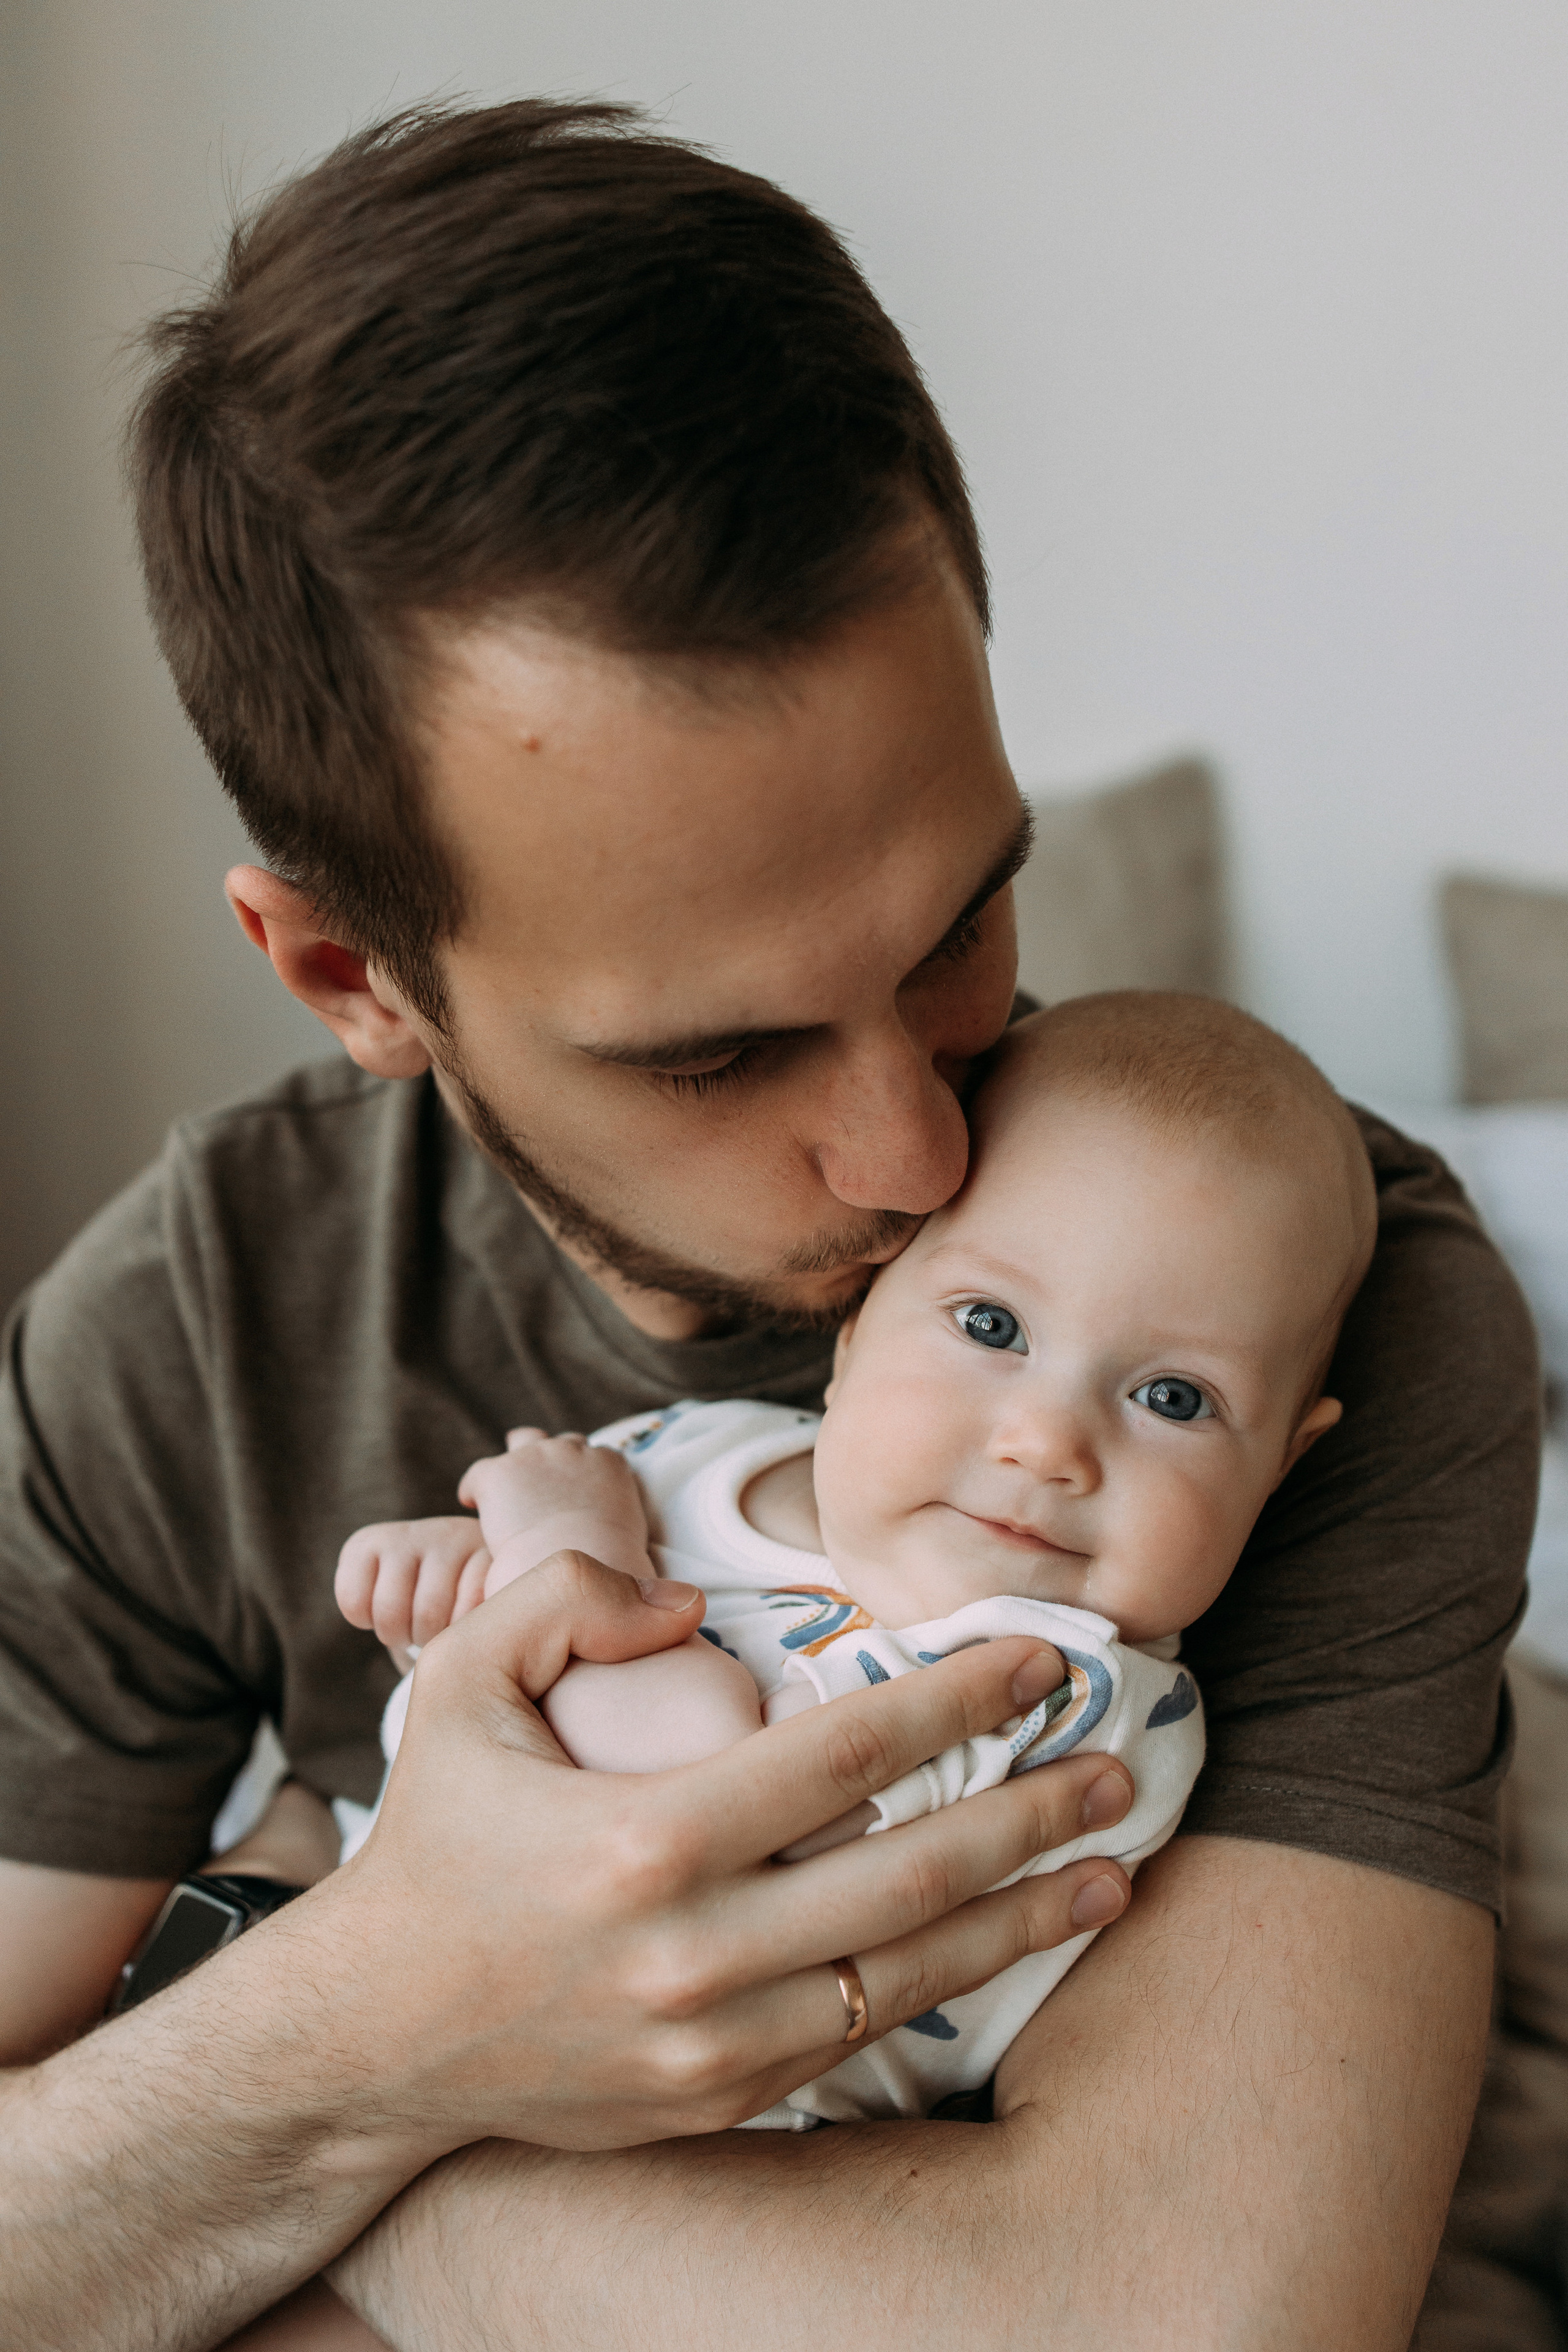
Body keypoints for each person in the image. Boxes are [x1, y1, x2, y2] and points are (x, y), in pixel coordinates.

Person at [0, 96, 1536, 2352]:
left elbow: (1182, 2325)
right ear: (354, 978)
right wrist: (392, 2006)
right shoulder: (198, 1329)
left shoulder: (1308, 1279)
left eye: (962, 925)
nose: (922, 1151)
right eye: (718, 1055)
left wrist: (341, 2134)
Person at [325, 992, 1371, 2134]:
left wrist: (556, 1555)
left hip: (663, 2167)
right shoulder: (694, 1453)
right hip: (370, 2005)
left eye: (1174, 1398)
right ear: (858, 1325)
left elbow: (689, 1822)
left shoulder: (1061, 1694)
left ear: (1278, 1466)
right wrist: (445, 1587)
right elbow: (485, 1688)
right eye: (990, 1326)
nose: (1048, 1444)